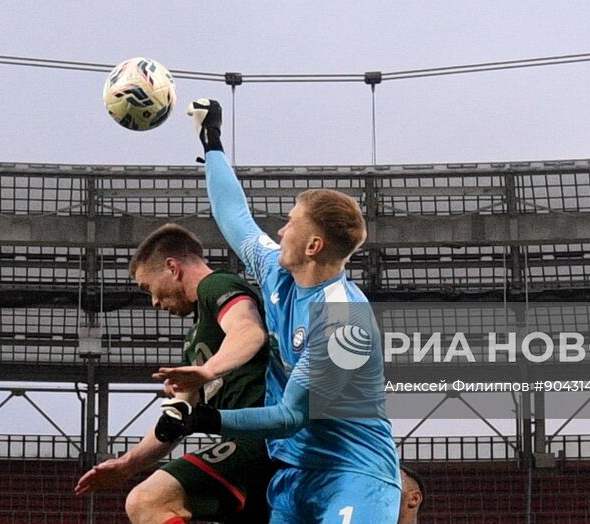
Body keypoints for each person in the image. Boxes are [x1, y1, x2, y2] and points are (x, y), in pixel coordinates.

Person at [155, 99, 401, 524]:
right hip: (291, 477)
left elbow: (290, 416)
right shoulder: (276, 270)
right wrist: (212, 143)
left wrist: (199, 419)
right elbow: (235, 217)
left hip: (354, 476)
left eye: (290, 223)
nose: (280, 231)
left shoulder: (344, 321)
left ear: (313, 246)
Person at [75, 223, 273, 524]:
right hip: (246, 451)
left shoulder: (216, 286)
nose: (154, 302)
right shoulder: (195, 340)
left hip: (261, 438)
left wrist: (207, 370)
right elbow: (175, 420)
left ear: (172, 267)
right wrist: (128, 464)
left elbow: (249, 331)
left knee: (147, 501)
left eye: (148, 287)